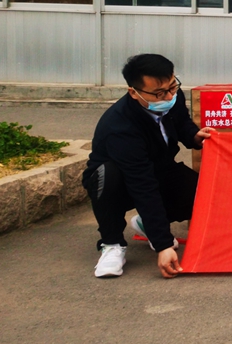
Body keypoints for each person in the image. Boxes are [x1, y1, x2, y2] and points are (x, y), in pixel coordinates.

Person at [83, 54, 215, 279]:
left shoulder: (172, 97)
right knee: (107, 175)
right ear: (134, 92)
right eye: (159, 93)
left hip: (160, 168)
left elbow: (181, 123)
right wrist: (164, 244)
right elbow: (141, 183)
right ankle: (112, 244)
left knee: (202, 194)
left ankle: (147, 223)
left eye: (172, 86)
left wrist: (194, 136)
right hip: (121, 182)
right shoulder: (120, 125)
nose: (169, 96)